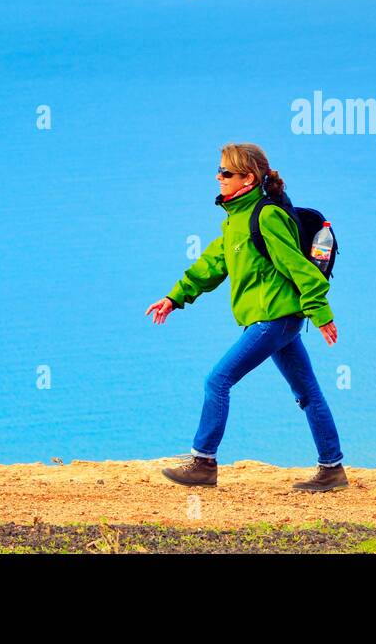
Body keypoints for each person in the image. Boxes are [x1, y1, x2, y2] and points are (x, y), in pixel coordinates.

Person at [145, 142, 347, 492]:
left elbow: (299, 268)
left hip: (274, 319)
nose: (218, 177)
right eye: (219, 170)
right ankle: (332, 469)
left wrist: (321, 313)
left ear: (248, 179)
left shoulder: (266, 217)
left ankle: (204, 462)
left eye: (226, 172)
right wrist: (174, 298)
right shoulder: (235, 220)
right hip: (274, 318)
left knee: (217, 380)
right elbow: (212, 264)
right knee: (307, 392)